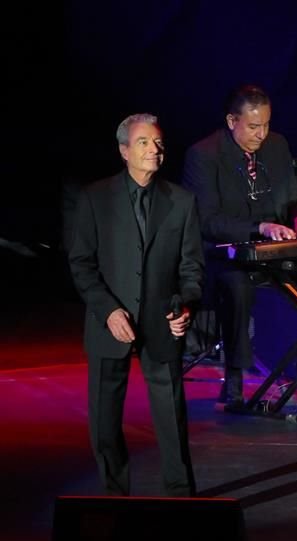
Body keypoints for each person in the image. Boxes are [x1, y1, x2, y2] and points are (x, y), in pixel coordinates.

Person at [68, 114, 202, 497]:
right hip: (110, 321)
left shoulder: (181, 201)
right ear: (124, 150)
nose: (154, 149)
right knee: (105, 417)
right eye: (144, 142)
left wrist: (187, 305)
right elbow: (81, 263)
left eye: (158, 142)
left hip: (162, 320)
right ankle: (114, 494)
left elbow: (191, 266)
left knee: (171, 415)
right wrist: (108, 310)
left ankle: (180, 494)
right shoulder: (96, 198)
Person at [182, 84, 297, 409]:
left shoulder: (277, 146)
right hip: (226, 253)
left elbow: (293, 197)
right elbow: (207, 220)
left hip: (274, 247)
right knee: (236, 286)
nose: (261, 134)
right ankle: (235, 381)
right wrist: (259, 228)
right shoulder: (204, 155)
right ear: (231, 121)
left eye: (266, 124)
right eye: (253, 126)